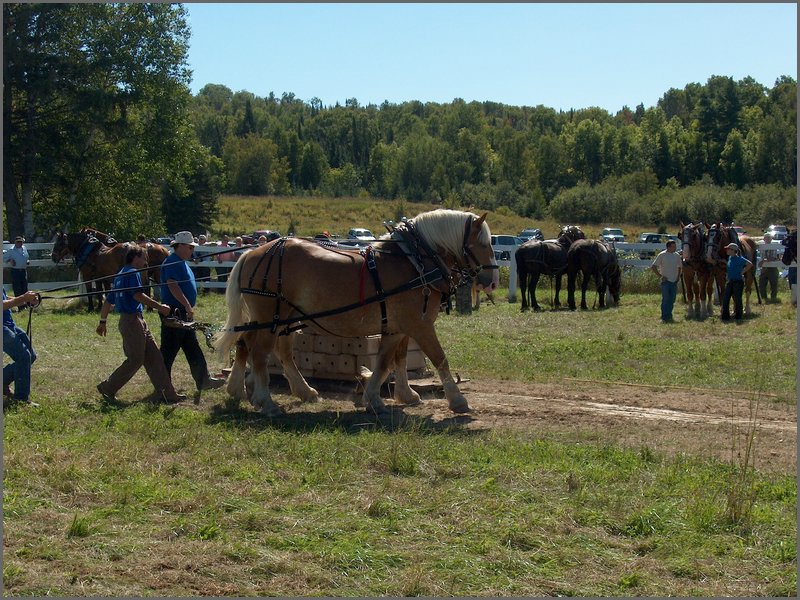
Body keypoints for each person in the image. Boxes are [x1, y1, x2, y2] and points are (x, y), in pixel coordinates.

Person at [96, 246, 187, 404]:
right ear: (135, 257)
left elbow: (108, 301)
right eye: (144, 257)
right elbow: (138, 295)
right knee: (135, 359)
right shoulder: (132, 273)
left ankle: (167, 393)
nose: (146, 261)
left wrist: (103, 321)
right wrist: (160, 307)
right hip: (131, 321)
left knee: (154, 357)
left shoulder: (120, 274)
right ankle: (108, 387)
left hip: (136, 320)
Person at [159, 231, 226, 393]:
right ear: (180, 246)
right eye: (190, 247)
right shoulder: (172, 262)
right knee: (168, 351)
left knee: (192, 348)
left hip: (182, 312)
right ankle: (162, 386)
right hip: (175, 312)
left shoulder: (181, 262)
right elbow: (172, 285)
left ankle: (204, 380)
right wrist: (187, 305)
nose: (192, 250)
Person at [3, 289, 40, 406]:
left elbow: (6, 299)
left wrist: (27, 300)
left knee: (31, 356)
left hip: (9, 324)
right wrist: (23, 298)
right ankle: (21, 399)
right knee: (23, 357)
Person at [650, 239, 682, 323]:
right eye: (673, 246)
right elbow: (653, 267)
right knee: (666, 299)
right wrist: (660, 276)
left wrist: (678, 277)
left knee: (672, 299)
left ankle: (669, 315)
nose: (675, 248)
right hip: (666, 281)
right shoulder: (662, 255)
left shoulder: (677, 255)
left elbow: (679, 267)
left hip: (674, 281)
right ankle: (664, 316)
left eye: (675, 246)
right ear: (668, 247)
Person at [721, 242, 753, 322]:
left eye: (728, 249)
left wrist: (742, 272)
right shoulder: (730, 258)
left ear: (732, 250)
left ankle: (738, 316)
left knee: (737, 299)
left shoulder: (739, 259)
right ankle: (725, 316)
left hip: (737, 281)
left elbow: (750, 264)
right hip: (730, 281)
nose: (726, 250)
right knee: (726, 298)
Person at [4, 236, 31, 305]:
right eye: (18, 242)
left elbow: (26, 256)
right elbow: (4, 258)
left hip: (23, 270)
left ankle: (26, 304)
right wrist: (10, 260)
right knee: (17, 289)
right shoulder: (11, 250)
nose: (20, 243)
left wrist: (27, 260)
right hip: (16, 271)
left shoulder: (24, 248)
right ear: (15, 242)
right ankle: (20, 305)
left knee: (25, 288)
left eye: (21, 242)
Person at [757, 233, 779, 302]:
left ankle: (773, 298)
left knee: (773, 284)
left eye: (769, 238)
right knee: (761, 284)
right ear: (764, 239)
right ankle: (764, 297)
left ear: (771, 239)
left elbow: (773, 257)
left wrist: (763, 261)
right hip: (764, 268)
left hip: (772, 268)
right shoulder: (762, 246)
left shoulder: (773, 246)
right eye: (766, 238)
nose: (767, 239)